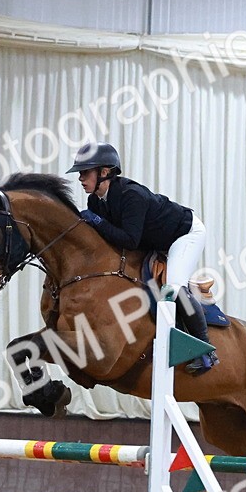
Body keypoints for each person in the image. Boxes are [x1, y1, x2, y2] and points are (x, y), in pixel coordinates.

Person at [66, 141, 217, 374]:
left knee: (172, 288)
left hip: (185, 234)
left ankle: (206, 350)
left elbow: (129, 240)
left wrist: (97, 222)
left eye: (85, 172)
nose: (80, 179)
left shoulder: (131, 195)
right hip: (154, 239)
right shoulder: (95, 201)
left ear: (104, 172)